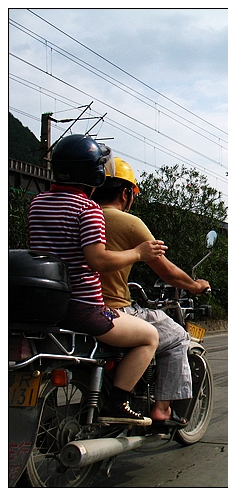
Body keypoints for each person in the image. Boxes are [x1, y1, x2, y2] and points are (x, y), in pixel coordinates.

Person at [28, 134, 165, 425]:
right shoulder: (87, 208)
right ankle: (116, 404)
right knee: (150, 336)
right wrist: (138, 253)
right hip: (84, 308)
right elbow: (98, 260)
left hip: (48, 306)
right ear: (95, 174)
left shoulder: (38, 202)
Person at [91, 157, 211, 427]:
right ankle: (161, 409)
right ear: (126, 193)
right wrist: (195, 285)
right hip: (113, 309)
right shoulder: (129, 223)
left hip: (77, 305)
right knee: (177, 336)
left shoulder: (82, 216)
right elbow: (167, 272)